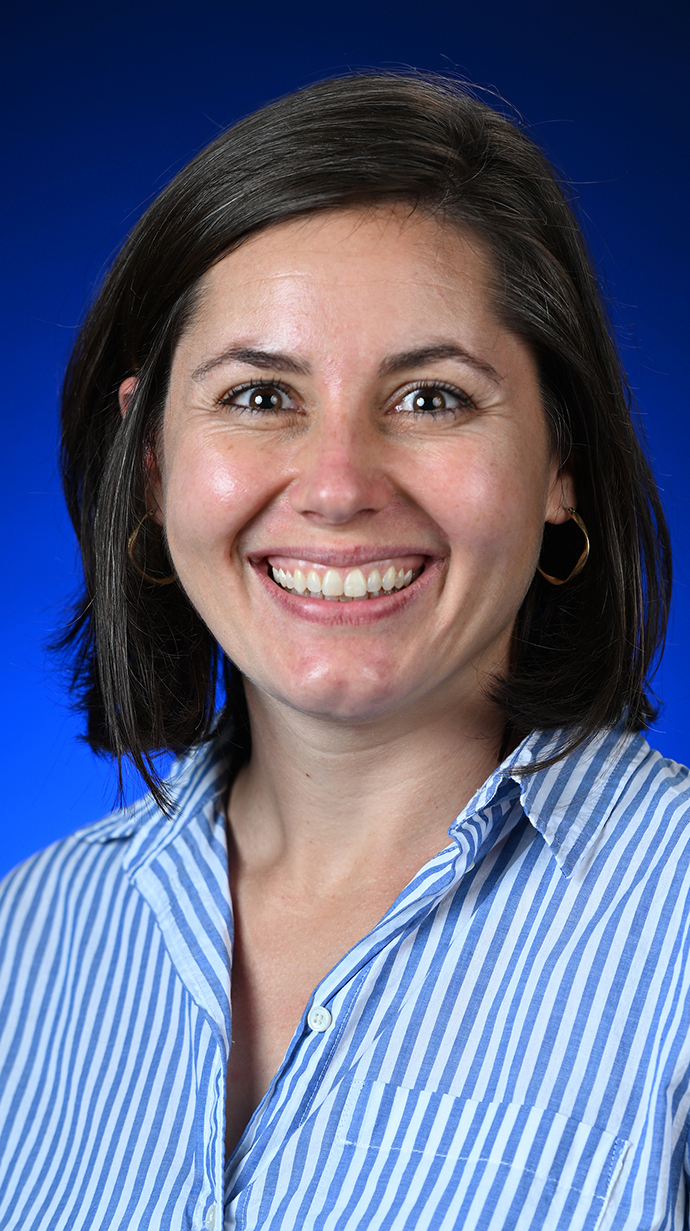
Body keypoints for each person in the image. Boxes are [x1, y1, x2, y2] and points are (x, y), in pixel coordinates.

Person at [0, 70, 687, 1231]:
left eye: (430, 399)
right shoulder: (28, 937)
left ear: (563, 462)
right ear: (155, 464)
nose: (336, 487)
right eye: (261, 395)